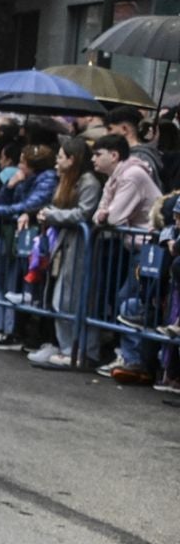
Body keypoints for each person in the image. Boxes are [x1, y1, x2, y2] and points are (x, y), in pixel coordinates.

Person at [86, 134, 165, 381]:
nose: (93, 159)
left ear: (115, 155)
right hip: (136, 248)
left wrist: (104, 216)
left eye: (98, 154)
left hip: (149, 249)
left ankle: (135, 360)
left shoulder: (132, 175)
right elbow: (98, 214)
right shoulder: (114, 179)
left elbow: (112, 217)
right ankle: (132, 357)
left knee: (131, 301)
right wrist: (103, 215)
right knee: (129, 299)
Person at [24, 137, 100, 363]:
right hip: (64, 244)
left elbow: (83, 213)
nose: (56, 161)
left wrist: (51, 215)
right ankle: (67, 348)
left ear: (72, 158)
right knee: (60, 300)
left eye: (60, 156)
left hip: (79, 246)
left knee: (72, 300)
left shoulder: (89, 182)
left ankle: (77, 351)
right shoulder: (67, 180)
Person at [0, 143, 57, 351]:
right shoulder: (23, 178)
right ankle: (1, 330)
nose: (19, 165)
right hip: (13, 231)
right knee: (8, 282)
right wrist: (10, 185)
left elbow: (31, 204)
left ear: (33, 164)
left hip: (30, 235)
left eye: (23, 161)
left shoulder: (47, 179)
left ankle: (15, 333)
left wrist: (3, 212)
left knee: (20, 283)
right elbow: (3, 202)